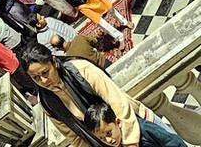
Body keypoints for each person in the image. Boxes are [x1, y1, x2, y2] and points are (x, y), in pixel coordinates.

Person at [21, 43, 173, 147]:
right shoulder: (47, 102)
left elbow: (118, 103)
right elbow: (75, 137)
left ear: (54, 62)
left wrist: (129, 141)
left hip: (137, 127)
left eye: (45, 72)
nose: (43, 81)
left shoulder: (81, 69)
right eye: (36, 78)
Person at [84, 102, 189, 147]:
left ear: (118, 123)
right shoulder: (119, 143)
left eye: (109, 133)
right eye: (102, 138)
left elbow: (172, 140)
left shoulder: (143, 129)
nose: (108, 140)